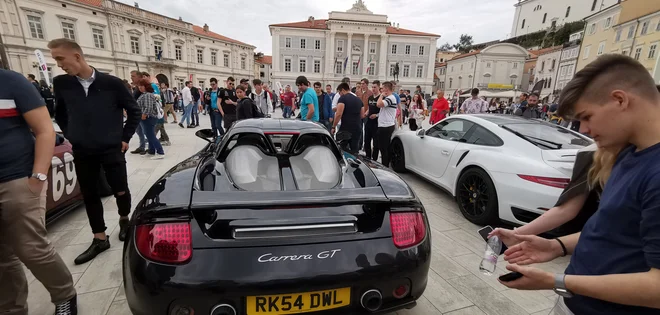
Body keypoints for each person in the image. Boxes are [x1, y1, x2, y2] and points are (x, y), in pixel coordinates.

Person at [498, 54, 660, 315]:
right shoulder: (628, 153)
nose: (583, 129)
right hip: (576, 301)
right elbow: (612, 230)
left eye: (587, 116)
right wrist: (555, 246)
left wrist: (556, 281)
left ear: (620, 100)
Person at [49, 38, 141, 264]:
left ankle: (124, 219)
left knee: (120, 189)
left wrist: (125, 138)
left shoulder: (112, 83)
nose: (59, 64)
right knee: (90, 194)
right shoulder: (62, 83)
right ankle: (99, 237)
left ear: (77, 56)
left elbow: (134, 111)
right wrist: (72, 134)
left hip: (111, 148)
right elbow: (59, 113)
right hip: (82, 150)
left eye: (60, 58)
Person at [0, 69, 78, 315]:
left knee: (31, 248)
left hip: (16, 177)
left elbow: (45, 130)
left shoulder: (11, 81)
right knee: (2, 257)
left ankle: (64, 294)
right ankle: (11, 308)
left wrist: (38, 177)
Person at [136, 79, 165, 159]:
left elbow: (148, 107)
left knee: (150, 135)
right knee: (149, 134)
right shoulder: (144, 94)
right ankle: (151, 151)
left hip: (148, 118)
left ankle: (160, 152)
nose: (140, 88)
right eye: (139, 86)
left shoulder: (147, 95)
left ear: (146, 86)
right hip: (146, 117)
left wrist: (144, 114)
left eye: (142, 86)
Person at [332, 83, 364, 154]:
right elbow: (362, 115)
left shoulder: (342, 98)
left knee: (341, 149)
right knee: (355, 150)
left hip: (346, 128)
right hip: (357, 127)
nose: (339, 95)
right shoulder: (358, 100)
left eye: (339, 93)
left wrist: (333, 126)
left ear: (343, 90)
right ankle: (355, 163)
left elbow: (338, 114)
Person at [376, 81, 399, 167]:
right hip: (385, 125)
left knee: (383, 148)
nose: (381, 90)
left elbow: (378, 104)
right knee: (384, 146)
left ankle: (385, 165)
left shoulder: (391, 98)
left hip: (386, 126)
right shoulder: (390, 98)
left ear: (386, 89)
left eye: (382, 88)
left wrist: (381, 95)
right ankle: (385, 163)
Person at [129, 71, 148, 154]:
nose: (131, 78)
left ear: (139, 77)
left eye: (133, 76)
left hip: (141, 112)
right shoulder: (137, 87)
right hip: (136, 111)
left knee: (145, 130)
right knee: (139, 130)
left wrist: (145, 112)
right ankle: (142, 146)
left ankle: (150, 147)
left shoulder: (143, 86)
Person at [364, 80, 381, 160]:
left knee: (376, 143)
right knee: (366, 141)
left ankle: (374, 160)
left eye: (375, 87)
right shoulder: (370, 97)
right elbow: (369, 108)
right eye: (372, 87)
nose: (373, 89)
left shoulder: (381, 98)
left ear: (378, 87)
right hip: (369, 122)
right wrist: (365, 113)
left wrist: (376, 115)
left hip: (377, 123)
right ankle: (368, 158)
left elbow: (383, 112)